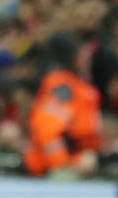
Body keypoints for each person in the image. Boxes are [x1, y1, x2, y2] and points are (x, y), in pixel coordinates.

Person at [23, 34, 103, 177]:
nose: (89, 60)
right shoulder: (62, 85)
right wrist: (64, 165)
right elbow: (47, 130)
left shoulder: (82, 87)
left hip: (81, 161)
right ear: (74, 58)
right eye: (83, 56)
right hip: (53, 171)